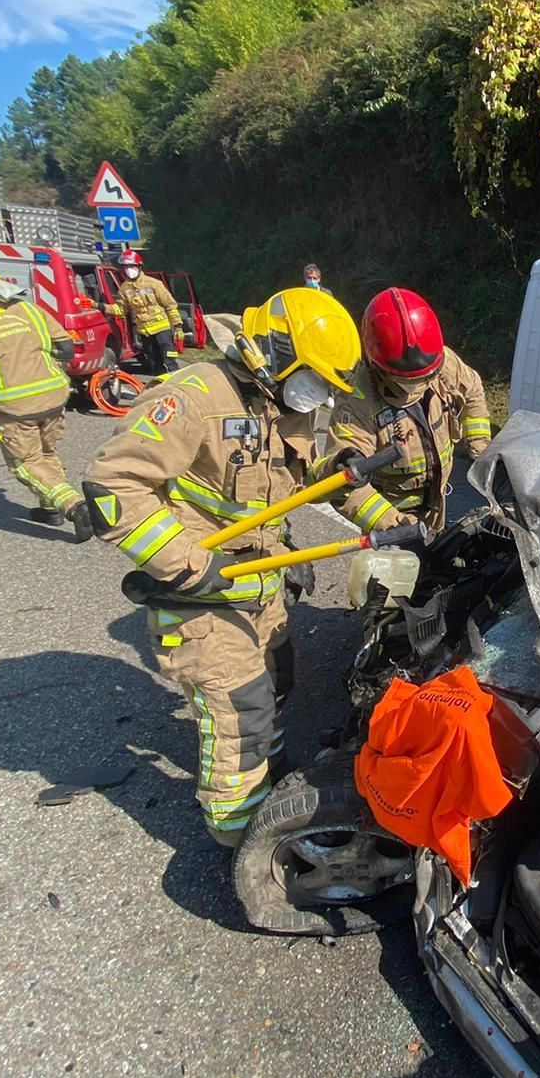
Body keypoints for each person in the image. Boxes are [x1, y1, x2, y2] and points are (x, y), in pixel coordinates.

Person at [81, 288, 361, 846]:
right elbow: (111, 484)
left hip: (260, 582)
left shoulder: (281, 405)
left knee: (277, 686)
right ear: (271, 350)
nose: (314, 398)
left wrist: (344, 474)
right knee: (241, 711)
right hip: (202, 592)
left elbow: (288, 487)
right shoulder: (196, 398)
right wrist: (188, 564)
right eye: (312, 381)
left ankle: (266, 784)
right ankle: (241, 841)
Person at [0, 248, 92, 542]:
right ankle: (49, 509)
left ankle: (74, 506)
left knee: (25, 463)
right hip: (55, 397)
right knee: (46, 454)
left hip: (14, 406)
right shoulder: (28, 308)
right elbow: (66, 348)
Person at [319, 287, 493, 534]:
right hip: (392, 525)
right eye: (409, 381)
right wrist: (397, 526)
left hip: (436, 509)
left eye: (427, 377)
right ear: (378, 367)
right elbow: (344, 488)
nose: (421, 387)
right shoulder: (356, 403)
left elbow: (472, 388)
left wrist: (479, 446)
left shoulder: (439, 359)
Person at [107, 250, 183, 376]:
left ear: (139, 266)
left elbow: (170, 305)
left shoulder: (154, 284)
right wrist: (99, 306)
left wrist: (178, 326)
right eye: (126, 266)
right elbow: (120, 310)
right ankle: (160, 385)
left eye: (131, 266)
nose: (128, 269)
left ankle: (177, 382)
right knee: (154, 362)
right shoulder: (124, 289)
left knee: (169, 358)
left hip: (161, 329)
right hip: (145, 332)